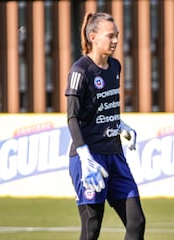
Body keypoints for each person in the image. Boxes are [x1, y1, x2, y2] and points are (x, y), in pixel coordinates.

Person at [64, 12, 146, 240]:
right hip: (90, 159)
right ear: (93, 37)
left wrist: (121, 124)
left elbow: (103, 107)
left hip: (115, 155)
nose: (116, 41)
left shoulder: (115, 67)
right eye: (110, 36)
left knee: (136, 222)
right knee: (92, 229)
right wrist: (84, 156)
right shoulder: (80, 71)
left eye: (117, 35)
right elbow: (72, 117)